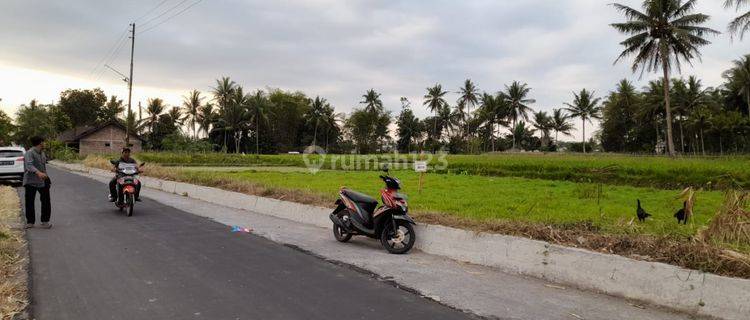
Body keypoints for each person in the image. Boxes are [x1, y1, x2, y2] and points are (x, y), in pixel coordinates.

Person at [23, 136, 51, 229]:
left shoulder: (42, 153)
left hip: (42, 181)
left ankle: (45, 221)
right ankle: (30, 222)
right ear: (40, 143)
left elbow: (43, 167)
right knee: (29, 202)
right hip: (31, 181)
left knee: (46, 201)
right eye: (44, 142)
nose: (45, 144)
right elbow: (29, 166)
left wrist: (47, 178)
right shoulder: (29, 153)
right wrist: (38, 172)